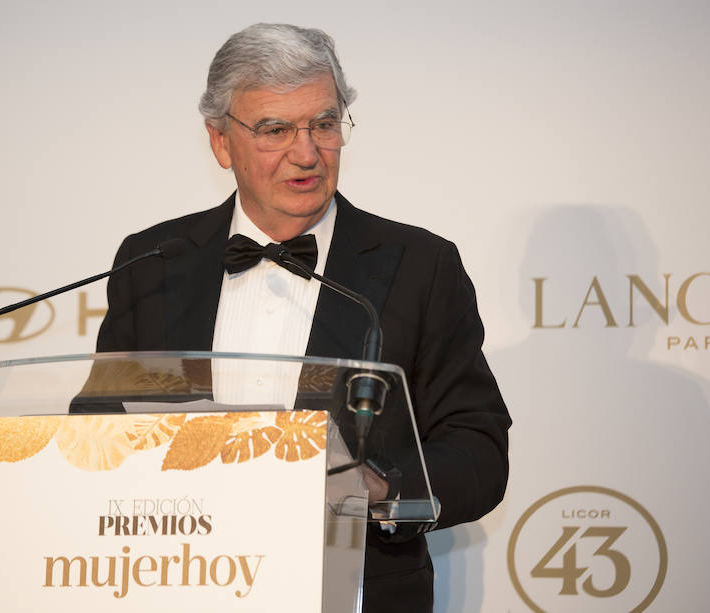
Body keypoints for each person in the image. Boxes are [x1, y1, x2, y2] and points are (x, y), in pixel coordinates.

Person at [96, 23, 510, 613]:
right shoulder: (153, 262)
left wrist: (381, 486)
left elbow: (479, 449)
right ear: (220, 142)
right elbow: (100, 430)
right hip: (175, 587)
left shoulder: (421, 266)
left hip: (360, 591)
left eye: (324, 123)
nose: (307, 152)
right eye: (275, 129)